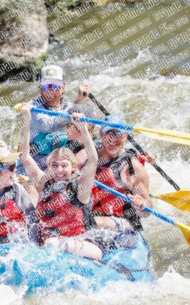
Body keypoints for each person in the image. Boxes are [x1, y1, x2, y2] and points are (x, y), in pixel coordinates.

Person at [19, 102, 103, 260]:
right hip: (51, 247)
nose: (58, 170)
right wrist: (26, 119)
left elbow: (93, 159)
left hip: (83, 245)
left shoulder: (80, 188)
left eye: (64, 166)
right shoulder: (43, 181)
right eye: (54, 166)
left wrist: (83, 128)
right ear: (48, 167)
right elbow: (24, 154)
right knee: (46, 242)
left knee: (50, 243)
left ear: (73, 168)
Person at [90, 114, 152, 251]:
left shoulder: (135, 168)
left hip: (122, 225)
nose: (113, 138)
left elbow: (147, 211)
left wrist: (141, 205)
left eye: (118, 133)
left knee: (93, 222)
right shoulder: (87, 156)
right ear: (101, 134)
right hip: (92, 216)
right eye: (108, 133)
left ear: (125, 135)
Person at [23, 65, 91, 171]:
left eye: (55, 86)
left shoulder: (67, 105)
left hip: (63, 158)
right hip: (38, 161)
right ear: (40, 88)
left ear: (64, 86)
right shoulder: (31, 107)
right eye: (46, 86)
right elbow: (50, 125)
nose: (50, 91)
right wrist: (76, 102)